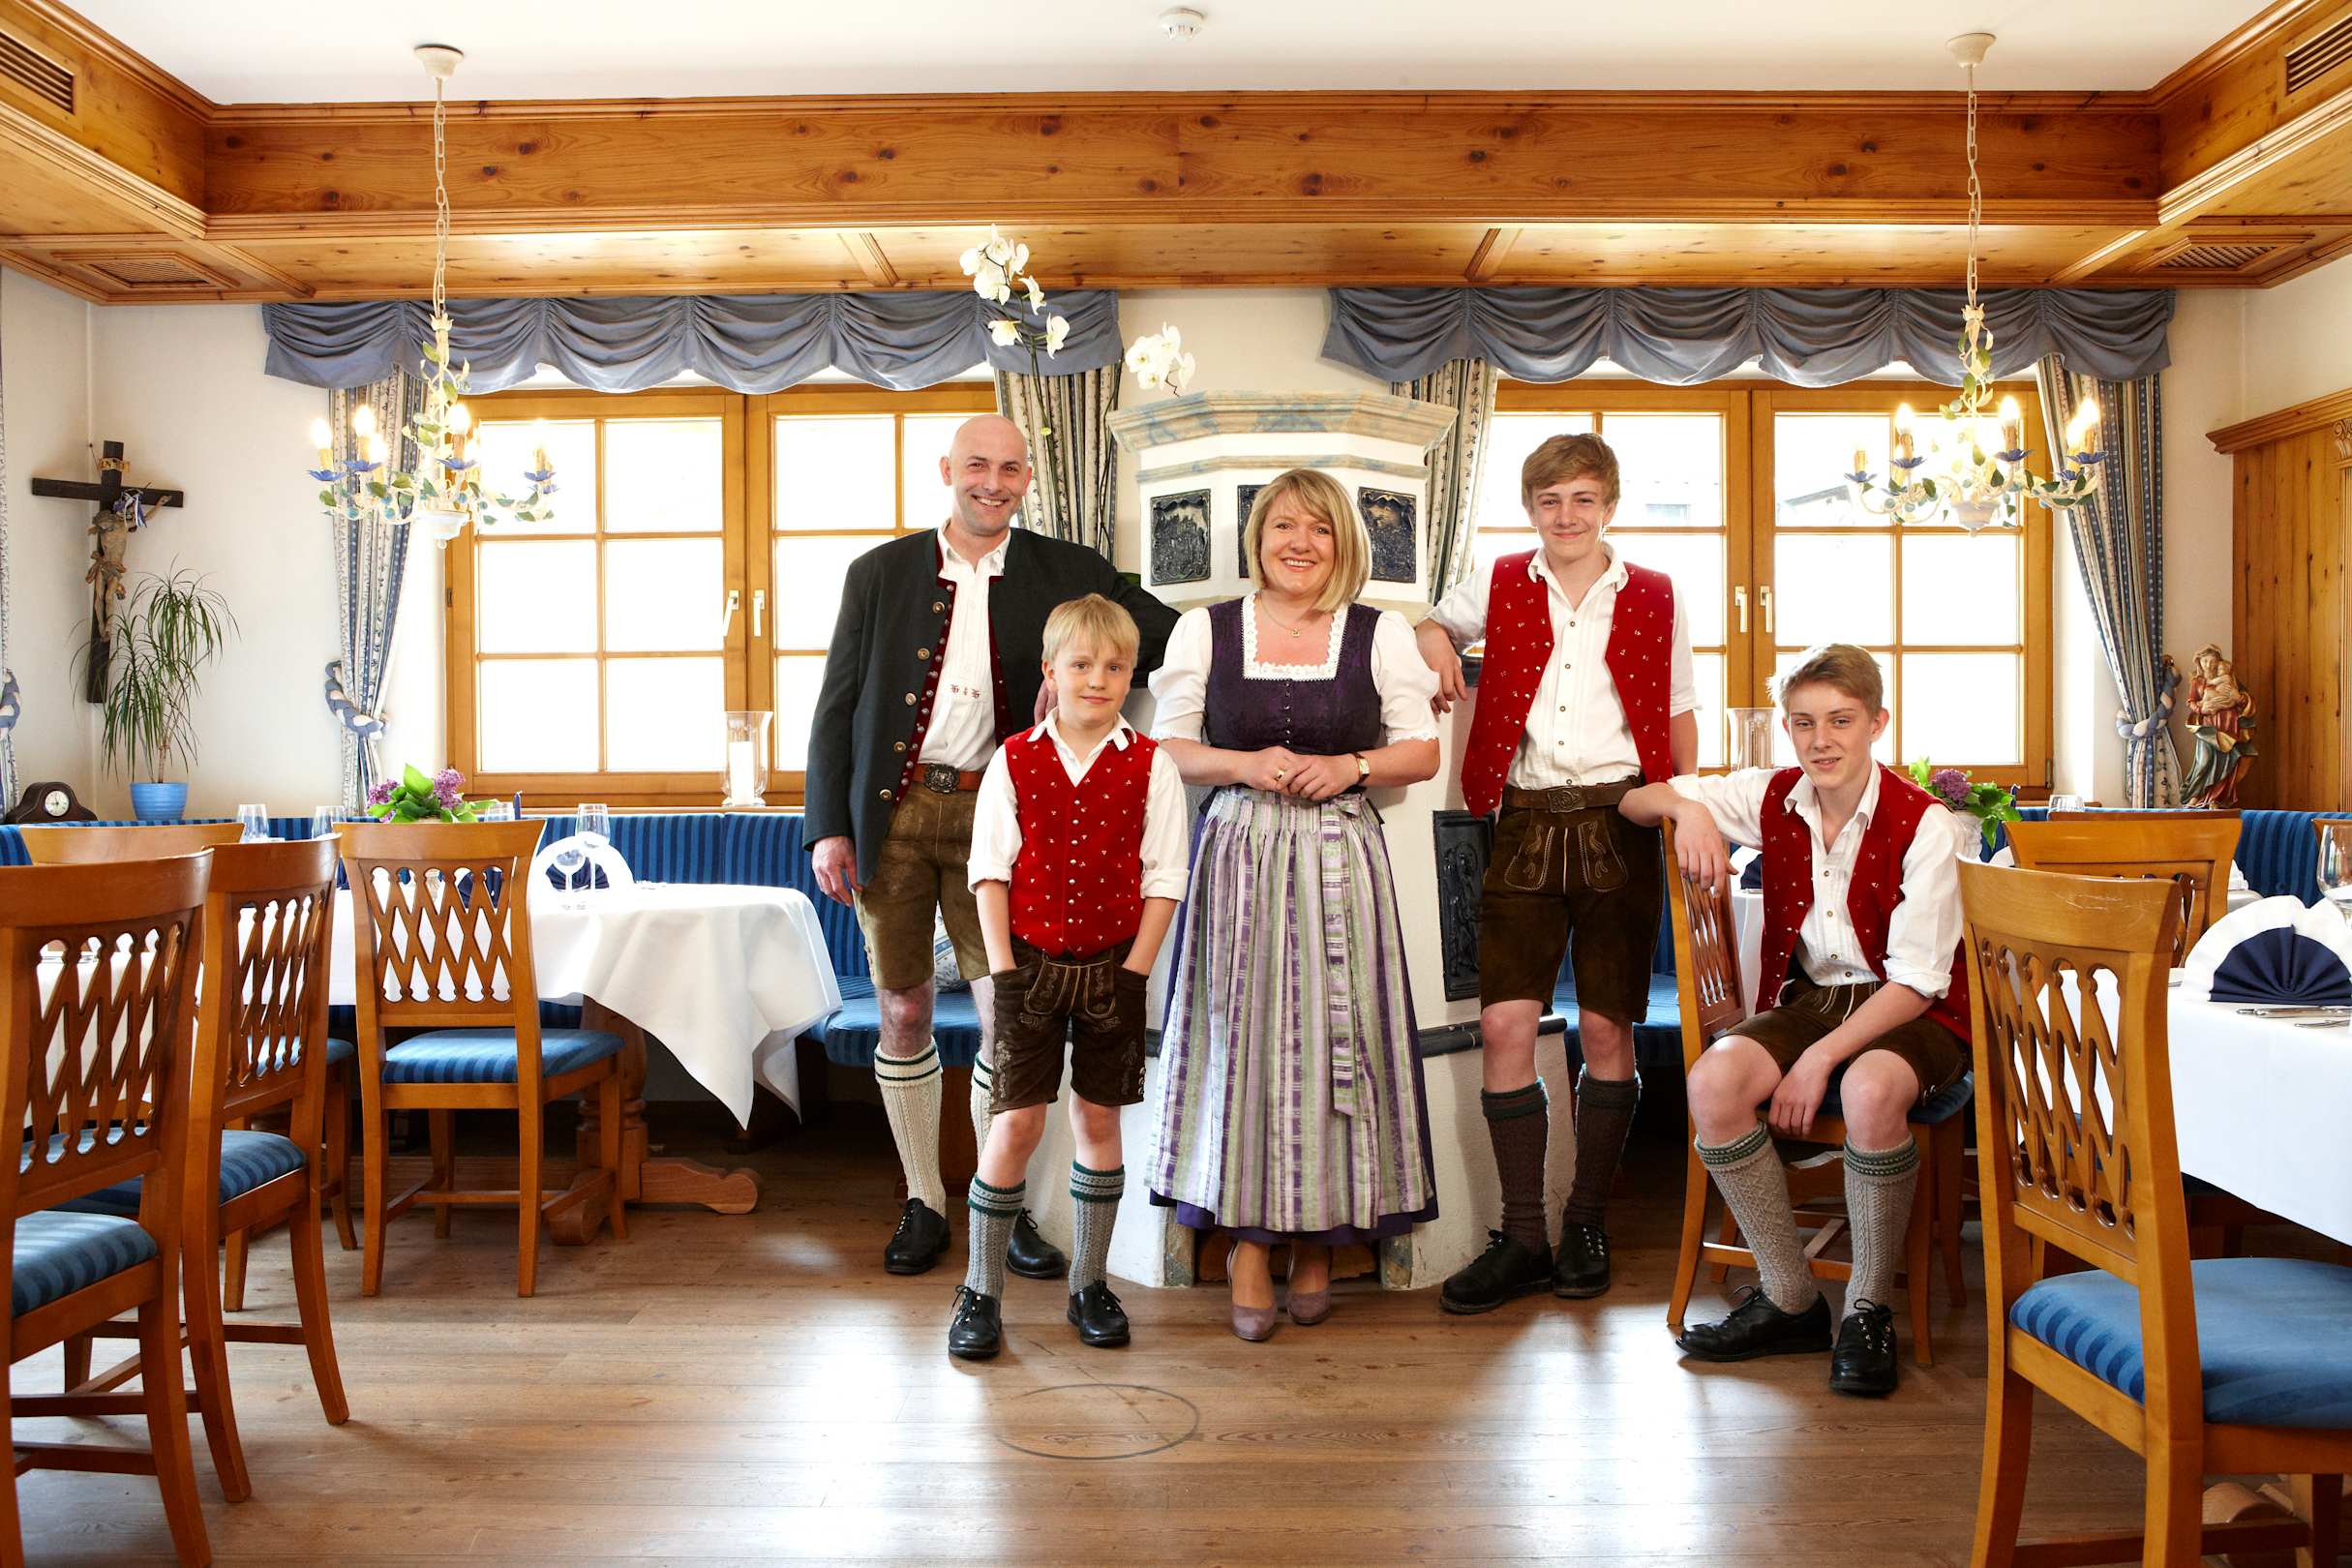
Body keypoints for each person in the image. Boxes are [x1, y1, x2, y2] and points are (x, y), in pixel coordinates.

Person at [804, 414, 1179, 1276]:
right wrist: (828, 824)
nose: (994, 483)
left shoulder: (1070, 570)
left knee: (1005, 1017)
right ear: (948, 470)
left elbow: (1163, 637)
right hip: (894, 815)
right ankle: (923, 1200)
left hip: (1003, 819)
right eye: (978, 465)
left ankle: (996, 1204)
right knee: (903, 1010)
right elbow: (837, 702)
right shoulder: (879, 572)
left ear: (1028, 479)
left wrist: (1078, 684)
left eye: (1011, 470)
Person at [1618, 643, 1969, 1398]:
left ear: (1878, 723)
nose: (1821, 740)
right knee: (1712, 1083)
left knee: (1870, 1089)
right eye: (1804, 722)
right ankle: (1789, 1298)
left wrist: (1817, 1062)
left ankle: (1868, 1310)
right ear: (1787, 727)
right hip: (1813, 1000)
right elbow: (1635, 800)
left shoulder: (1926, 824)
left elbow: (1918, 983)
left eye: (1841, 720)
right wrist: (1687, 809)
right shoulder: (1772, 795)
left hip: (1914, 1010)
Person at [1148, 467, 1443, 1341]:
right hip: (1238, 851)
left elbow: (1422, 750)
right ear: (1259, 538)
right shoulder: (1205, 629)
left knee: (1337, 1039)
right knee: (1240, 1042)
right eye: (1283, 525)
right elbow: (1169, 747)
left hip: (1341, 853)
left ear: (1341, 541)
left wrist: (1353, 765)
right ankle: (1247, 1242)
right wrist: (1242, 764)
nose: (1300, 543)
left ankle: (1317, 1238)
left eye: (1319, 527)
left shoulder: (1380, 633)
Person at [1416, 432, 1697, 1313]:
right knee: (1506, 1024)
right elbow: (1430, 623)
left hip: (1623, 820)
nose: (1566, 516)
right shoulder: (1500, 581)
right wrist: (1435, 644)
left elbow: (1677, 711)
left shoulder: (1656, 593)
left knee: (1608, 1030)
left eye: (1582, 499)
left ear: (1609, 505)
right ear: (1531, 509)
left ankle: (1586, 1224)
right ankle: (1523, 1235)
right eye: (1550, 501)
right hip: (1525, 821)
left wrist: (1686, 803)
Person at [949, 595, 1190, 1360]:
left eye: (1115, 667)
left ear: (1131, 674)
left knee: (1099, 1121)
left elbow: (1165, 878)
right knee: (1016, 1123)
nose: (1098, 680)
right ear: (1051, 671)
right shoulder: (1014, 759)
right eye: (1081, 665)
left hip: (1112, 971)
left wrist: (1134, 974)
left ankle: (1089, 1284)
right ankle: (979, 1291)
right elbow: (989, 873)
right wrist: (1005, 973)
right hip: (1029, 970)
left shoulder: (1152, 766)